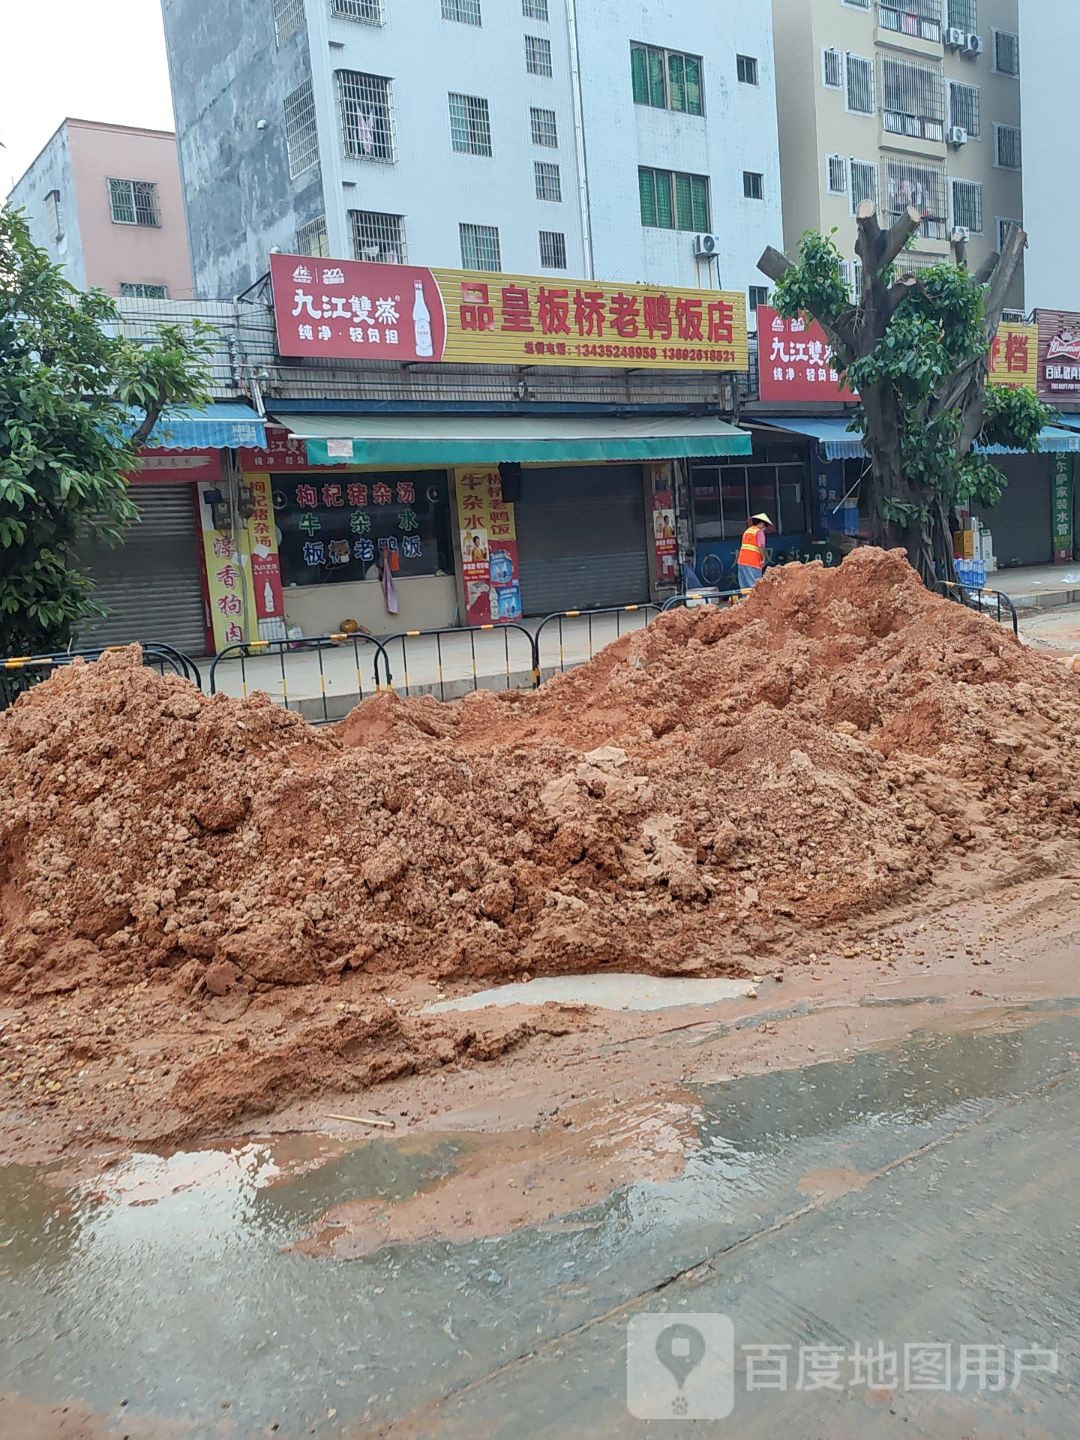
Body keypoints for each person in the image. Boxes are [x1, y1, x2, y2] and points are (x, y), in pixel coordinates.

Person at [737, 513, 774, 591]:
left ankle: (746, 602)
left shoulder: (747, 531)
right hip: (752, 562)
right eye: (764, 526)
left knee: (744, 588)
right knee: (755, 587)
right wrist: (764, 559)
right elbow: (761, 546)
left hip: (741, 562)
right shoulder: (759, 532)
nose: (764, 528)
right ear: (761, 524)